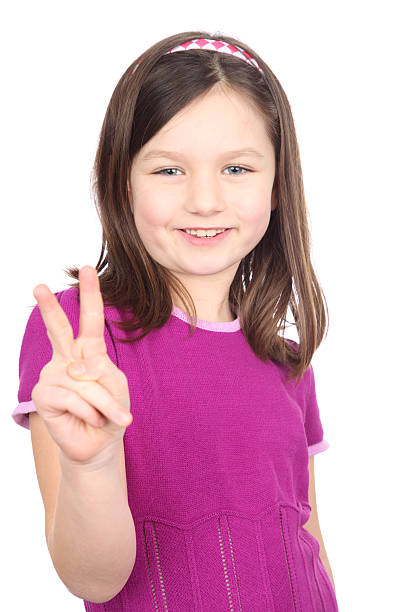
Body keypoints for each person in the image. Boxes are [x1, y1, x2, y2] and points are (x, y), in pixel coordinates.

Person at [12, 30, 339, 611]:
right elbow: (94, 579)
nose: (205, 200)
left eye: (237, 168)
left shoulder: (286, 357)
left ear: (277, 184)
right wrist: (93, 463)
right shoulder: (82, 343)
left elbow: (307, 537)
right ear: (122, 180)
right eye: (168, 170)